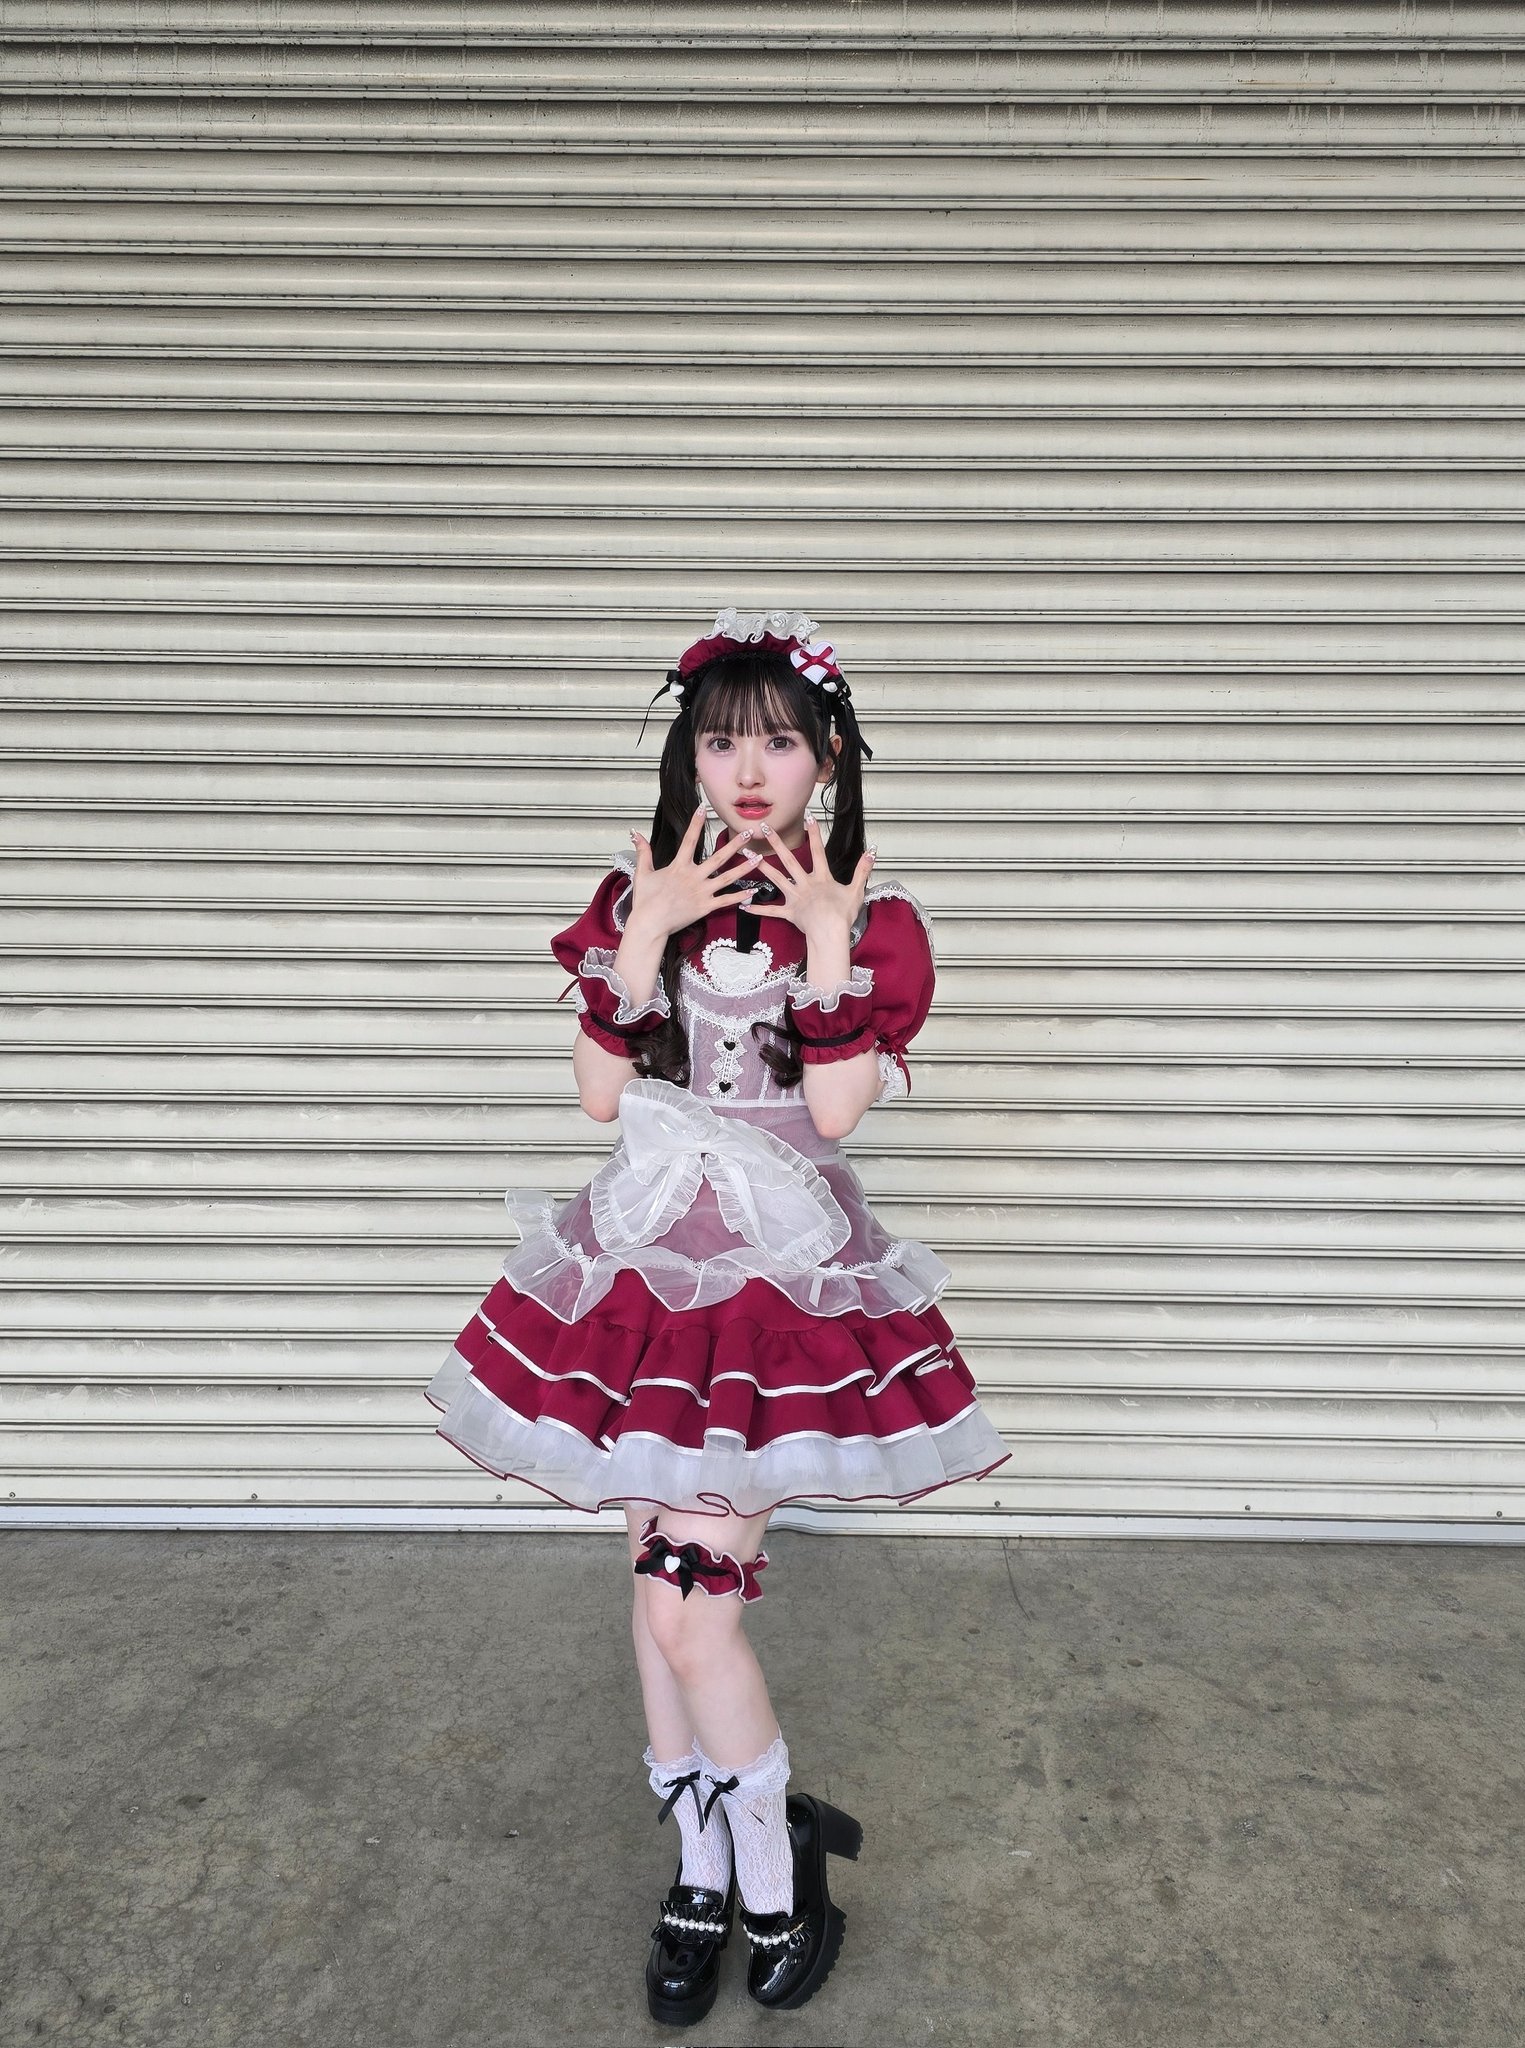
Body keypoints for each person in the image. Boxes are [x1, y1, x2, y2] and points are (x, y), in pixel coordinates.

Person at [424, 607, 1011, 2023]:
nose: (748, 771)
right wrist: (647, 930)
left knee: (692, 1604)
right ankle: (701, 1868)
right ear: (690, 757)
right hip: (644, 1257)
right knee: (655, 1581)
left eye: (780, 744)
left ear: (828, 761)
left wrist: (826, 944)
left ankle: (776, 1871)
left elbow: (832, 1111)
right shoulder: (642, 893)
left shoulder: (874, 917)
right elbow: (600, 1096)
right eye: (721, 741)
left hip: (776, 1272)